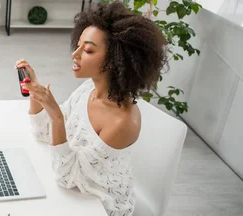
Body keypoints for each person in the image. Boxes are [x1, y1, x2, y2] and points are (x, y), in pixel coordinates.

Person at [16, 1, 168, 216]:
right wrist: (35, 90)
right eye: (78, 45)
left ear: (114, 60)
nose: (75, 54)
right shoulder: (88, 88)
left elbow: (67, 177)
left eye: (87, 50)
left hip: (101, 206)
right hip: (77, 193)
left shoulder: (122, 121)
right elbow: (44, 134)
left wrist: (57, 117)